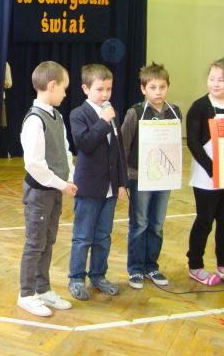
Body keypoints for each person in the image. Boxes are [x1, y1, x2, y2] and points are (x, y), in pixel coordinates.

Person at [17, 61, 77, 317]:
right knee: (35, 243)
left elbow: (64, 151)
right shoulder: (34, 120)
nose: (65, 93)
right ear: (52, 86)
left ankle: (42, 289)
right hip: (40, 193)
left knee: (48, 241)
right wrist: (62, 184)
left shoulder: (57, 116)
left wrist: (70, 178)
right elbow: (34, 164)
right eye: (64, 88)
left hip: (54, 191)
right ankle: (26, 294)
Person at [186, 56, 224, 285]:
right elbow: (193, 142)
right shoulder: (200, 107)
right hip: (207, 175)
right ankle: (195, 265)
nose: (215, 83)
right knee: (205, 219)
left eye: (220, 80)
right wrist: (213, 169)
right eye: (211, 79)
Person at [68, 63, 128, 301]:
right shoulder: (78, 114)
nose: (105, 94)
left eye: (109, 89)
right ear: (85, 89)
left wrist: (122, 182)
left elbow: (119, 150)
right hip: (89, 187)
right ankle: (76, 278)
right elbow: (84, 144)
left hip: (110, 187)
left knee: (103, 236)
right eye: (100, 89)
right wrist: (103, 121)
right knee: (83, 237)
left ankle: (98, 275)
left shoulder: (112, 112)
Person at [121, 63, 182, 289]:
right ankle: (135, 269)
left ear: (168, 87)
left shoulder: (174, 112)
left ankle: (151, 266)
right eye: (153, 87)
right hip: (140, 177)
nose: (158, 92)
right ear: (143, 89)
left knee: (156, 223)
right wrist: (124, 178)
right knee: (140, 223)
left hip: (165, 177)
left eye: (162, 87)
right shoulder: (135, 113)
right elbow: (123, 146)